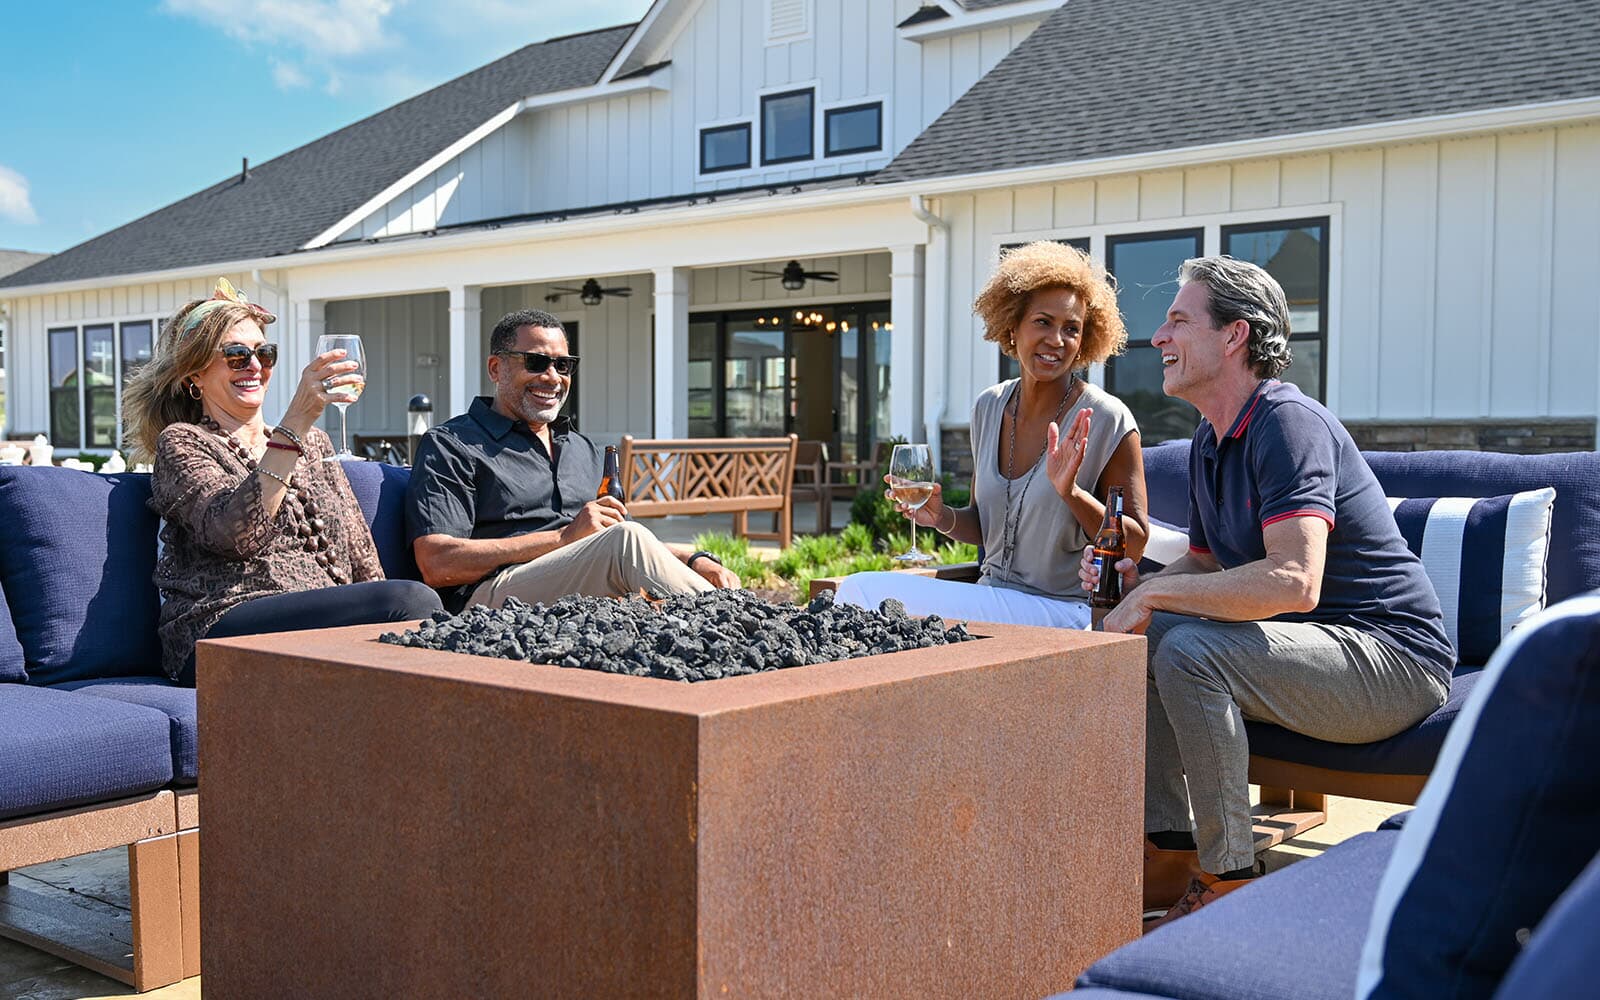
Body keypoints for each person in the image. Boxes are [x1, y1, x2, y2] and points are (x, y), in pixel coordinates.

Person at [1081, 256, 1454, 927]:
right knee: (1155, 632)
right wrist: (1143, 586)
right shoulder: (1209, 439)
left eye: (1177, 320)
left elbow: (1296, 579)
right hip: (1314, 653)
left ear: (1234, 336)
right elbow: (1200, 563)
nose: (1157, 338)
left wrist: (1158, 601)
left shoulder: (1286, 423)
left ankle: (1229, 878)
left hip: (1393, 661)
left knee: (1189, 647)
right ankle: (1168, 848)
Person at [124, 278, 443, 685]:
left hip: (315, 623)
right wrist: (295, 422)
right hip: (219, 627)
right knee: (411, 601)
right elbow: (237, 535)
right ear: (194, 376)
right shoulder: (184, 442)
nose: (254, 366)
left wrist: (377, 619)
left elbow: (360, 555)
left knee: (411, 611)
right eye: (236, 356)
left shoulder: (315, 443)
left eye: (264, 353)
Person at [835, 241, 1148, 629]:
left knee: (862, 592)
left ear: (1085, 340)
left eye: (1072, 329)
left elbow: (1134, 543)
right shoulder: (989, 407)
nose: (1057, 340)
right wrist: (941, 517)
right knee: (856, 592)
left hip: (1066, 611)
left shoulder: (1107, 418)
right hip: (991, 595)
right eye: (1043, 322)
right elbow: (984, 526)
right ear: (1012, 326)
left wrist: (1072, 493)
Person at [405, 308, 740, 611]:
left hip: (580, 597)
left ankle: (736, 626)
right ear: (496, 368)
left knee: (632, 539)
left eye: (563, 365)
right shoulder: (453, 445)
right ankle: (741, 627)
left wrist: (693, 559)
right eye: (536, 362)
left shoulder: (583, 449)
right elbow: (437, 563)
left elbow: (617, 537)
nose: (553, 377)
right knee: (627, 540)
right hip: (491, 598)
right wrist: (562, 539)